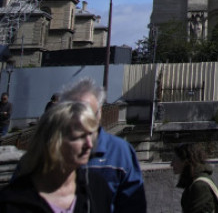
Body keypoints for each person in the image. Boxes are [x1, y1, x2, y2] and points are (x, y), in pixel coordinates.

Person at [0, 100, 113, 212]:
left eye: (90, 135)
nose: (89, 144)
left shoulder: (97, 188)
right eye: (80, 137)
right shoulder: (14, 200)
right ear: (54, 141)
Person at [59, 78, 147, 213]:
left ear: (100, 112)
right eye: (77, 116)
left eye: (89, 116)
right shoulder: (46, 152)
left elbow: (134, 205)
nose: (83, 123)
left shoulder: (120, 152)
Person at [171, 144, 218, 213]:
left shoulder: (199, 186)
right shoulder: (194, 181)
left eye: (174, 160)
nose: (171, 164)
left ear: (185, 162)